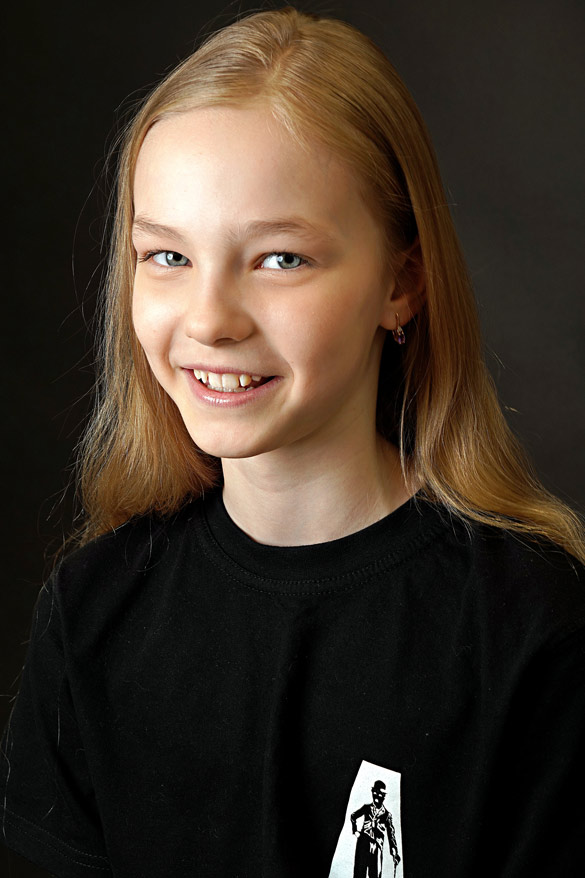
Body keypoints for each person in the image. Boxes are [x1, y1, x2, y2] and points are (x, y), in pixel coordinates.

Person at [1, 6, 584, 877]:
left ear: (401, 283)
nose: (210, 320)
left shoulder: (532, 630)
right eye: (167, 257)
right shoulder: (93, 614)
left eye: (280, 259)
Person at [351, 781, 400, 877]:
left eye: (380, 793)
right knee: (359, 872)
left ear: (384, 796)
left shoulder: (387, 815)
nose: (377, 795)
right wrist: (355, 831)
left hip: (377, 846)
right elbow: (353, 816)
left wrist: (394, 852)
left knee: (375, 874)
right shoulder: (366, 808)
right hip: (363, 843)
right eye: (375, 792)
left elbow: (391, 834)